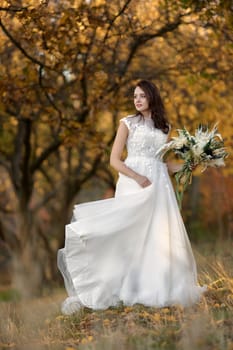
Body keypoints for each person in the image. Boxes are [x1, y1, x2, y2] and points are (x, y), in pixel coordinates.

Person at [57, 80, 206, 315]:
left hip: (159, 185)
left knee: (159, 234)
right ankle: (121, 286)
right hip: (133, 182)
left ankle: (157, 286)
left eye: (142, 96)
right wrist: (138, 178)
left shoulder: (165, 126)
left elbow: (165, 163)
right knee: (130, 233)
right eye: (135, 96)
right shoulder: (127, 123)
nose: (137, 100)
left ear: (152, 98)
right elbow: (114, 160)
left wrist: (190, 164)